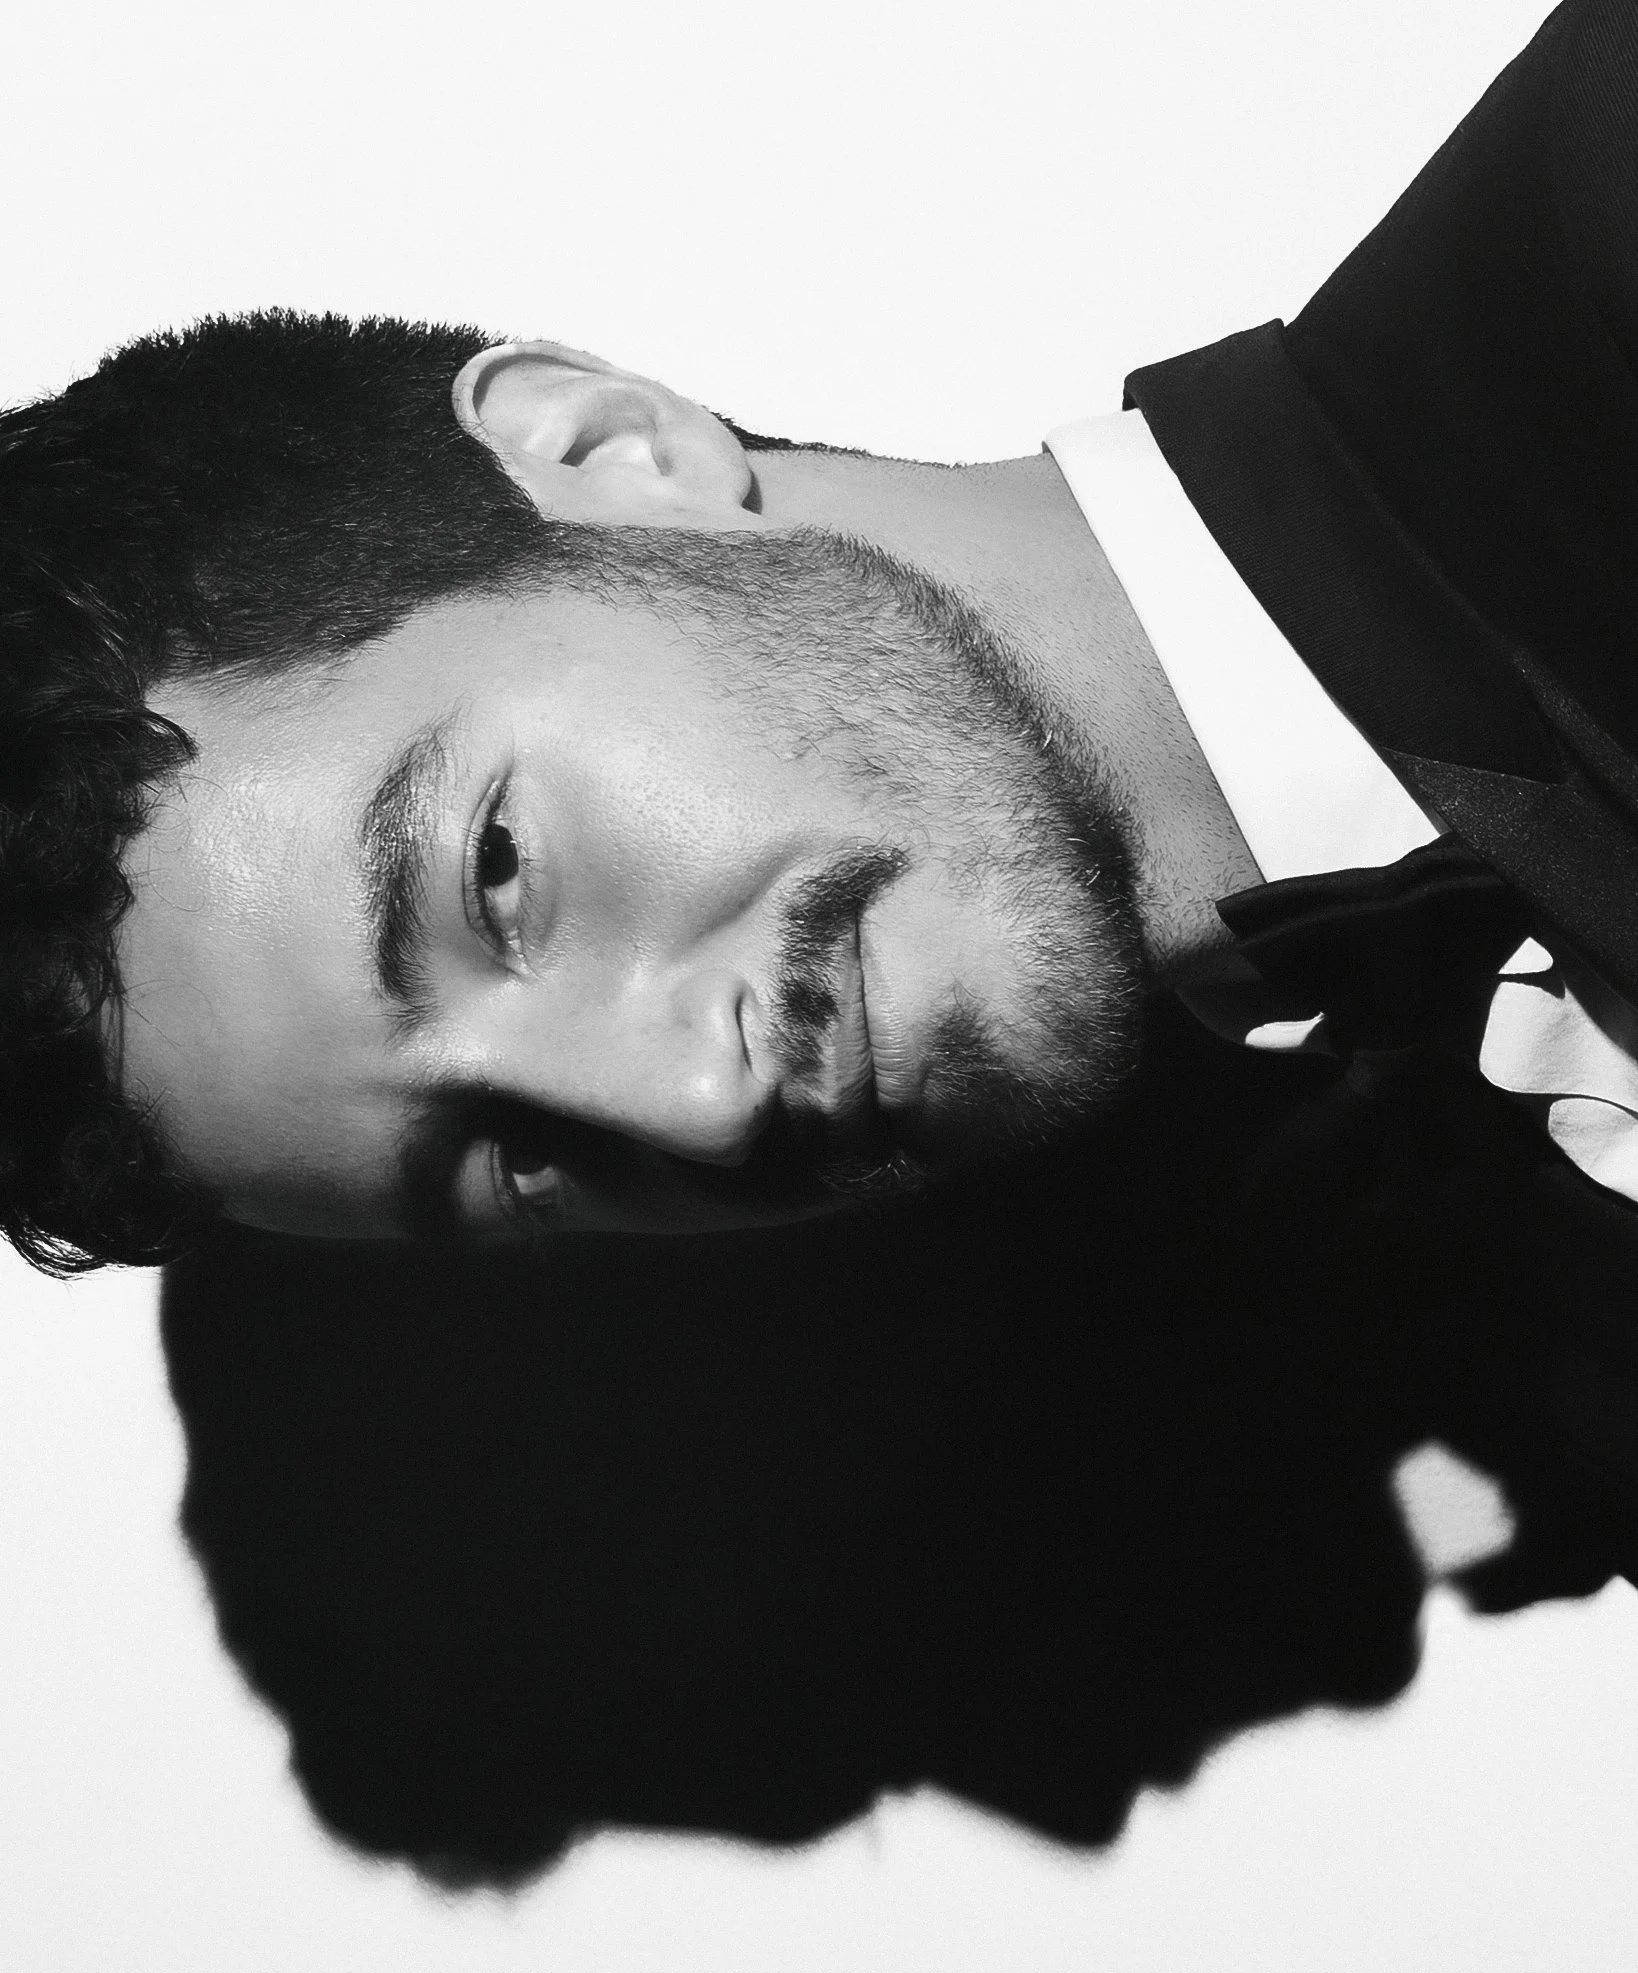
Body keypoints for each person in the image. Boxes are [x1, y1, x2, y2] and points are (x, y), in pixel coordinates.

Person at [4, 0, 1636, 1459]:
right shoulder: (1518, 1291)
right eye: (506, 1163)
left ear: (614, 453)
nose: (689, 1107)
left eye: (494, 875)